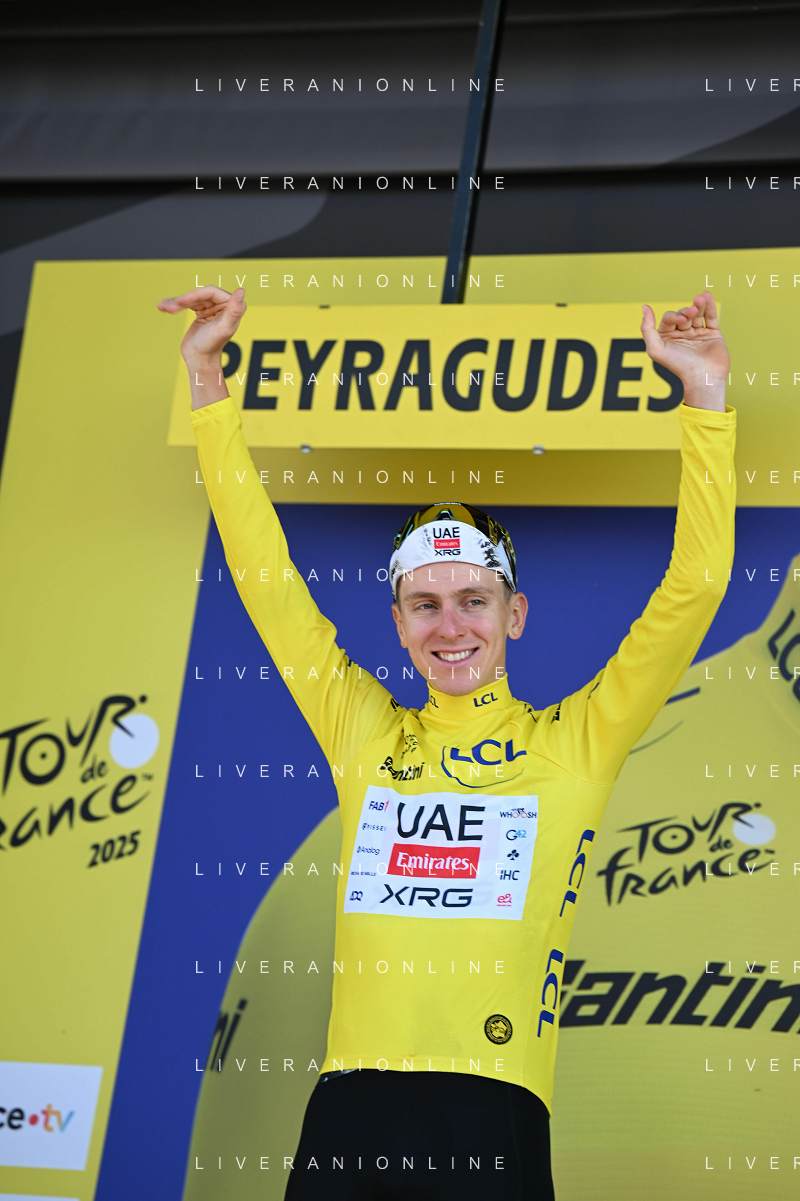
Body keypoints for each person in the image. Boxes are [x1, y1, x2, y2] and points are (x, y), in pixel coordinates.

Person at [159, 285, 735, 1200]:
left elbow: (695, 585)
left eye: (474, 599)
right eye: (424, 603)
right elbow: (263, 573)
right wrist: (206, 377)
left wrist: (704, 394)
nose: (451, 625)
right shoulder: (363, 730)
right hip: (347, 1115)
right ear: (398, 624)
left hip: (491, 1115)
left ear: (515, 614)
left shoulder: (576, 742)